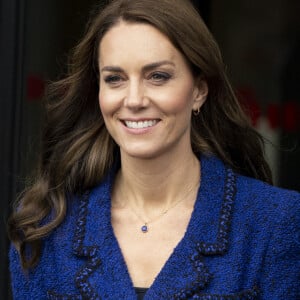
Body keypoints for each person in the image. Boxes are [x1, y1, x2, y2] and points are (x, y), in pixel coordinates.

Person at [8, 0, 300, 299]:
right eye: (115, 79)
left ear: (199, 90)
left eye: (157, 76)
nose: (134, 100)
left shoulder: (275, 223)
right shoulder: (46, 225)